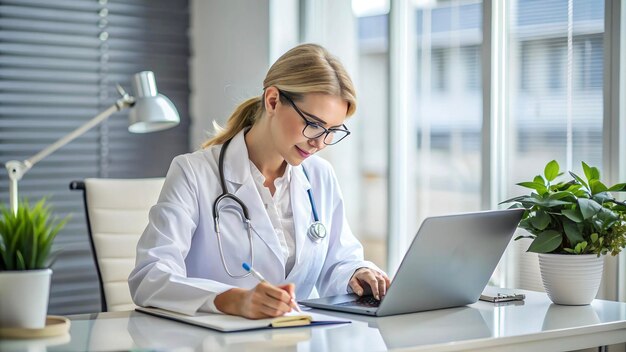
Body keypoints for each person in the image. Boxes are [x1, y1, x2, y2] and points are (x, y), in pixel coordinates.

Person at [128, 43, 390, 319]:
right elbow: (150, 276)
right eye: (313, 124)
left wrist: (356, 273)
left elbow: (337, 259)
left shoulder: (319, 176)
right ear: (273, 100)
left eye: (332, 131)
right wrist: (230, 300)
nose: (319, 143)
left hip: (295, 338)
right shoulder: (194, 173)